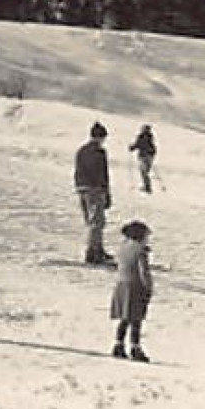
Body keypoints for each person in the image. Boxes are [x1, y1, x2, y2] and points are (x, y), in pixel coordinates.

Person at [110, 220, 154, 363]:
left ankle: (118, 344)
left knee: (124, 318)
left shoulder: (122, 247)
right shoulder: (140, 251)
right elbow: (144, 272)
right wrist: (148, 287)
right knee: (136, 319)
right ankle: (135, 347)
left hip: (121, 284)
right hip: (135, 286)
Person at [74, 122, 113, 265]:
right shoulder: (99, 152)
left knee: (92, 221)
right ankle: (93, 253)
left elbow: (78, 170)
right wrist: (105, 191)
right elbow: (102, 173)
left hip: (82, 187)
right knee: (97, 222)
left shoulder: (81, 150)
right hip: (95, 188)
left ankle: (98, 249)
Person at [129, 125, 158, 194]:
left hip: (143, 156)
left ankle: (147, 187)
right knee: (145, 172)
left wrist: (131, 148)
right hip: (149, 156)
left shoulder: (141, 137)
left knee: (144, 172)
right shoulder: (150, 137)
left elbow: (137, 145)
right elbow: (153, 148)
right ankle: (147, 186)